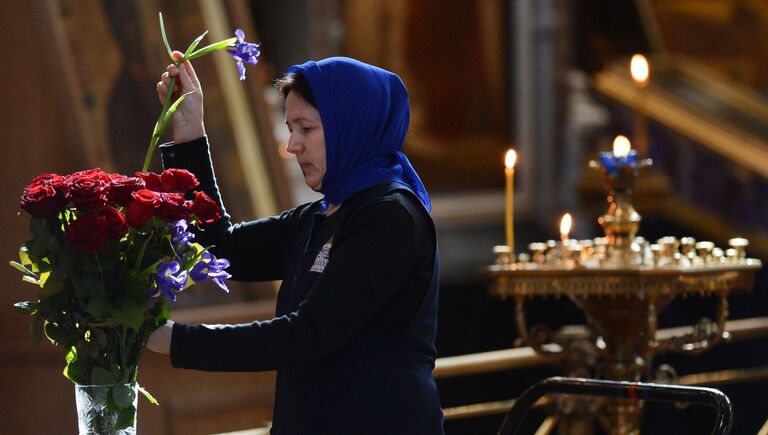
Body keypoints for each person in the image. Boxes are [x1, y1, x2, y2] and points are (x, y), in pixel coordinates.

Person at [148, 52, 444, 434]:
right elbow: (221, 245)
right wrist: (190, 134)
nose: (292, 145)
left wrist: (176, 340)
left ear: (348, 126)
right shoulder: (322, 214)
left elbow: (307, 334)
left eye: (306, 129)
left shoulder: (390, 217)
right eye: (291, 128)